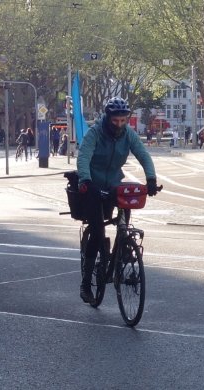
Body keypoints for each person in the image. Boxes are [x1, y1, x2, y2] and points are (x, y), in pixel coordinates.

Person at [76, 97, 159, 303]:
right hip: (93, 184)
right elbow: (84, 156)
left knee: (127, 201)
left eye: (123, 121)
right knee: (97, 232)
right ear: (108, 117)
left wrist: (151, 178)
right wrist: (86, 180)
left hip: (113, 182)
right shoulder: (95, 133)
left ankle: (122, 246)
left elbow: (143, 154)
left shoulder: (128, 134)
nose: (119, 125)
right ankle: (86, 283)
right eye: (116, 121)